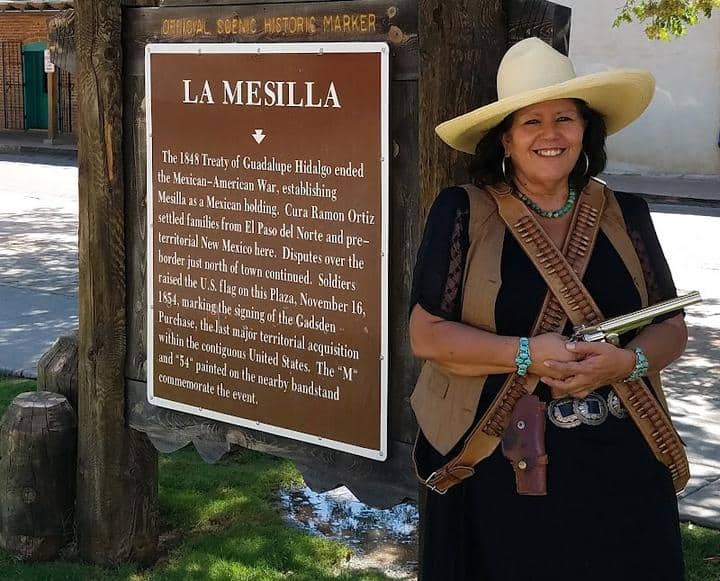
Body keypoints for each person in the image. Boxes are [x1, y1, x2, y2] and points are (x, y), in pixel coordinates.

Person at [409, 37, 688, 581]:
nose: (550, 134)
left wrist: (625, 363)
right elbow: (427, 335)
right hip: (503, 458)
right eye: (531, 122)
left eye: (565, 118)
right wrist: (525, 354)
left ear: (585, 132)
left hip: (621, 460)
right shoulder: (464, 211)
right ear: (506, 139)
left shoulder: (625, 213)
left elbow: (671, 325)